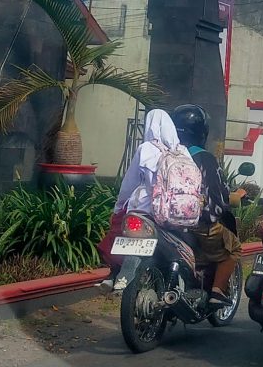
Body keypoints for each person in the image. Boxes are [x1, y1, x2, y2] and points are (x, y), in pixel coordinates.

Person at [98, 109, 187, 290]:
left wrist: (118, 207)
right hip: (175, 211)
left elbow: (129, 184)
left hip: (144, 208)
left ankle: (113, 274)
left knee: (118, 228)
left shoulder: (145, 149)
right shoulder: (182, 151)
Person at [172, 104, 245, 307]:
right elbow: (217, 196)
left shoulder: (165, 154)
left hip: (165, 221)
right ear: (202, 132)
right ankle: (217, 292)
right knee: (233, 248)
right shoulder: (205, 158)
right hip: (197, 224)